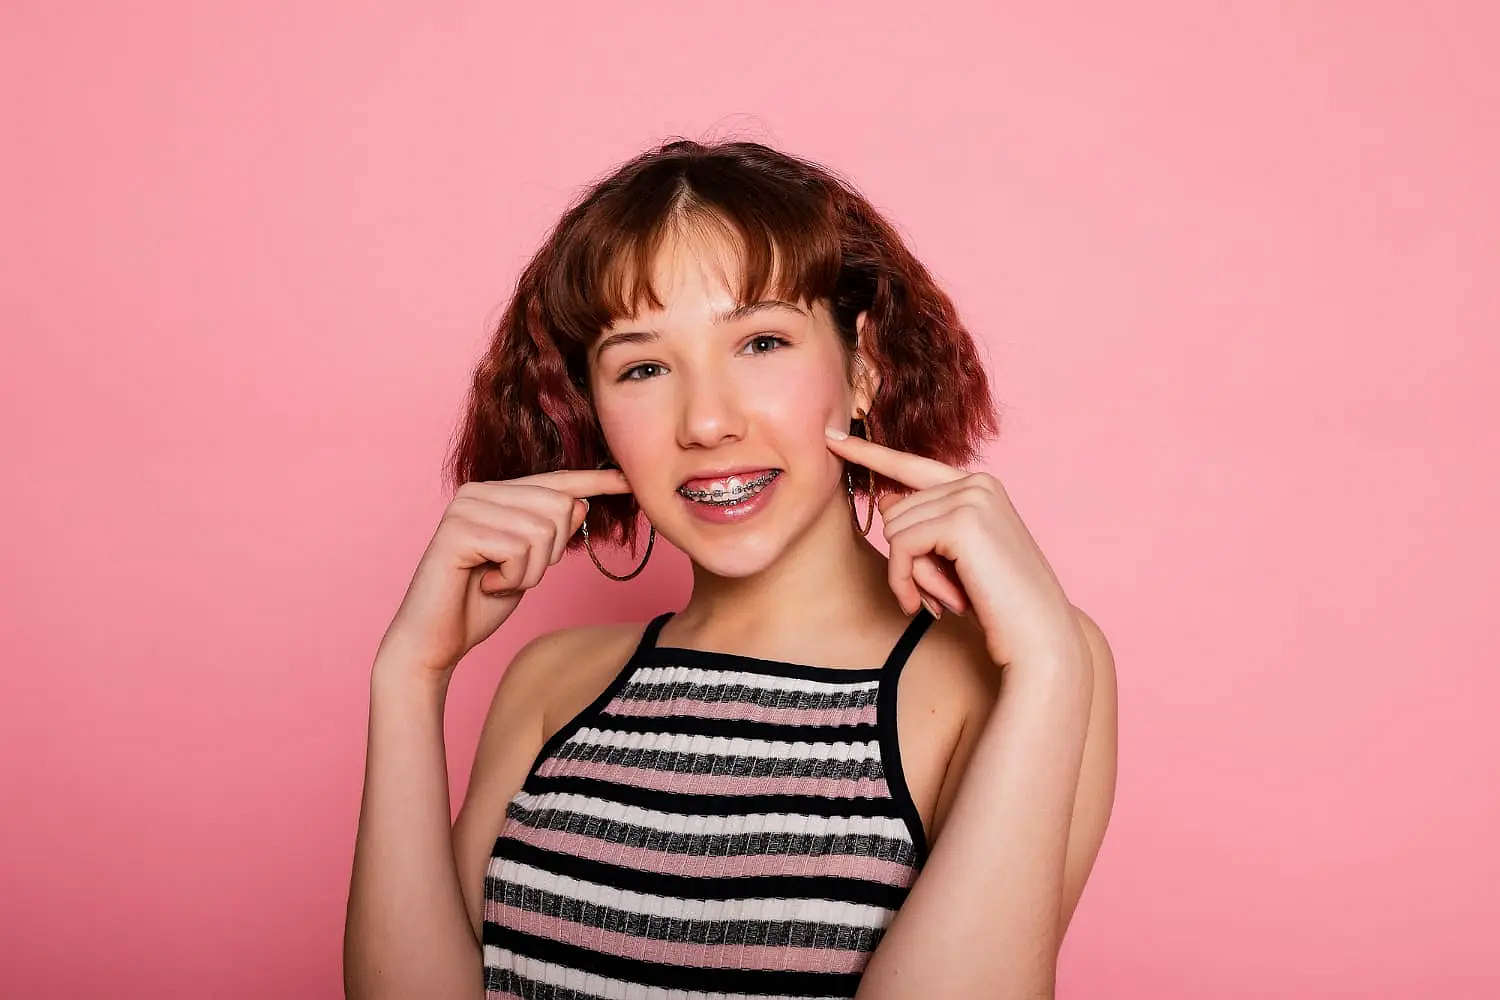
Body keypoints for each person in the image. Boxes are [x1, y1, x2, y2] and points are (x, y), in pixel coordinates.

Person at [344, 138, 1118, 1000]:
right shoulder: (551, 685)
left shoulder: (1024, 671)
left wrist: (1049, 664)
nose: (706, 422)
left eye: (760, 343)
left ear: (863, 366)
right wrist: (409, 675)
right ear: (594, 411)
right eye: (642, 366)